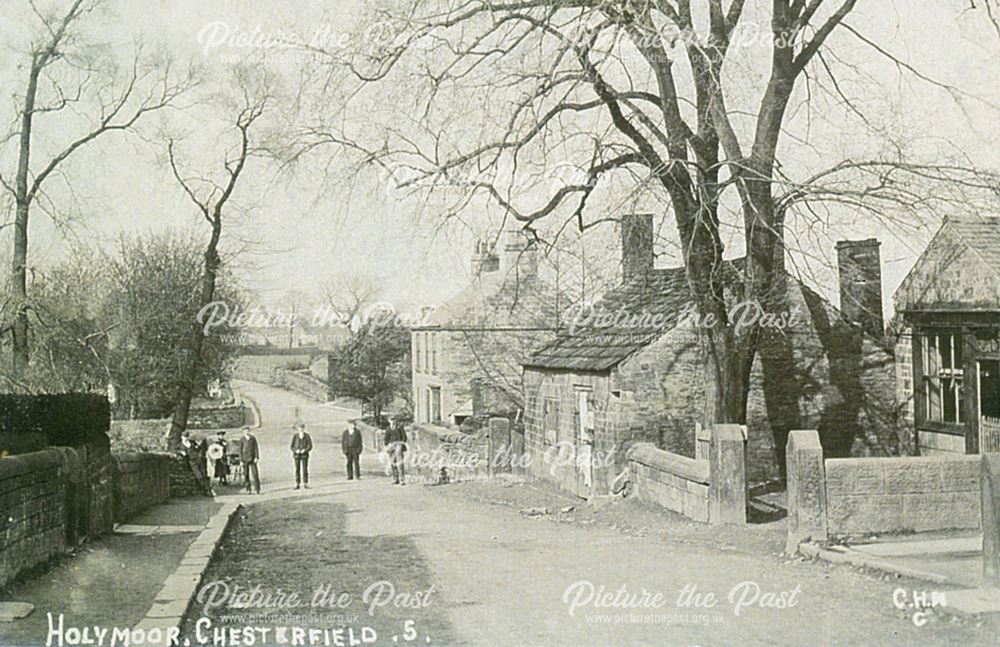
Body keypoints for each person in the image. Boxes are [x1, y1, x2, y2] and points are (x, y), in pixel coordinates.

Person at [179, 431, 213, 496]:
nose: (185, 438)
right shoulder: (181, 445)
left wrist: (200, 455)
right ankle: (207, 489)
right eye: (184, 437)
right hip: (192, 462)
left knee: (204, 474)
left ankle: (206, 491)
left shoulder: (192, 442)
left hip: (200, 460)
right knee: (199, 476)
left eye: (186, 437)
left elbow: (199, 448)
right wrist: (182, 453)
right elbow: (177, 450)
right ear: (181, 437)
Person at [384, 418, 407, 485]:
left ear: (396, 421)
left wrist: (401, 444)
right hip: (391, 446)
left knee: (400, 463)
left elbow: (404, 437)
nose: (393, 421)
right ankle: (395, 478)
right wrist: (387, 445)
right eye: (391, 420)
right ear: (389, 421)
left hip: (398, 445)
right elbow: (386, 438)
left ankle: (402, 479)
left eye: (394, 420)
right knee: (392, 462)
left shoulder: (399, 427)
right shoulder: (388, 428)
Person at [290, 422, 313, 489]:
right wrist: (296, 450)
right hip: (297, 455)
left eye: (302, 428)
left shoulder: (307, 436)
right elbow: (292, 446)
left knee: (305, 469)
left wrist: (305, 450)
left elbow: (310, 446)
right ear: (298, 429)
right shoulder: (295, 436)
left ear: (304, 428)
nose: (301, 429)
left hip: (304, 455)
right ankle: (297, 483)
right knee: (297, 469)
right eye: (300, 428)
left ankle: (305, 483)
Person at [240, 426, 261, 494]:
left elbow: (256, 448)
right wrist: (241, 460)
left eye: (247, 431)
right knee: (246, 474)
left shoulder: (252, 438)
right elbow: (240, 451)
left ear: (249, 431)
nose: (246, 432)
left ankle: (257, 489)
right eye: (245, 431)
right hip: (245, 458)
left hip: (252, 458)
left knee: (255, 474)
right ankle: (248, 489)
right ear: (243, 432)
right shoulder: (242, 439)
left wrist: (256, 457)